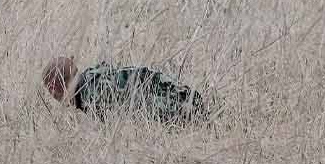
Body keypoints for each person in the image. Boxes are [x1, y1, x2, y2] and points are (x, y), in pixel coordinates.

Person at [43, 56, 209, 125]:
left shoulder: (94, 95)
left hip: (186, 105)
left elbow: (146, 111)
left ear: (54, 89)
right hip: (183, 96)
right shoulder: (90, 79)